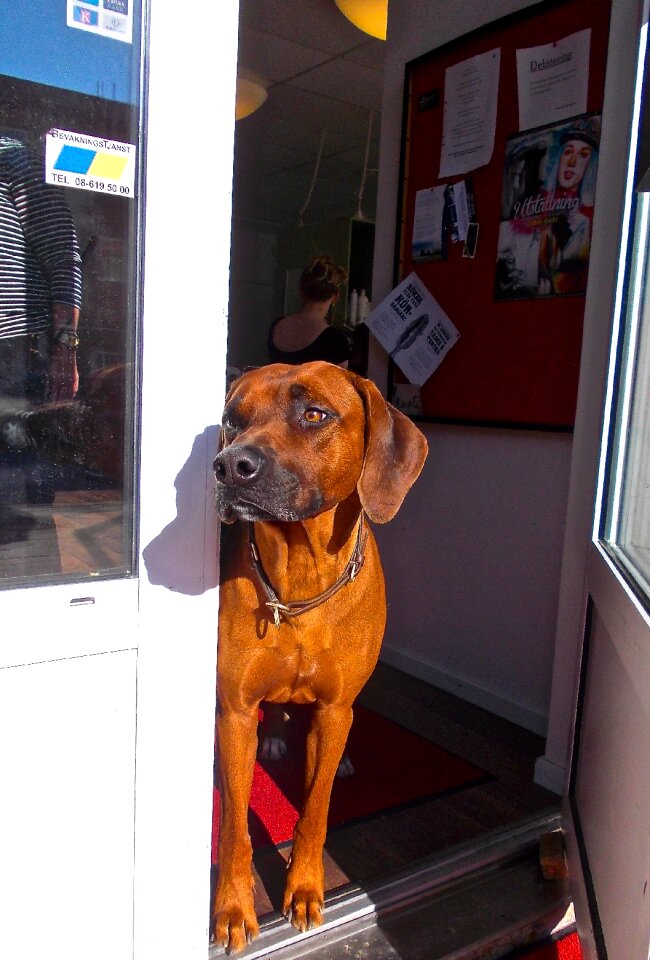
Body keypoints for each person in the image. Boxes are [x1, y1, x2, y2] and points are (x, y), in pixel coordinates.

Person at [0, 135, 82, 503]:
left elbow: (63, 256)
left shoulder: (11, 155)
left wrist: (64, 349)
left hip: (13, 345)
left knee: (18, 486)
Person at [538, 116, 600, 296]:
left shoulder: (589, 219)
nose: (572, 162)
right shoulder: (541, 208)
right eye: (568, 152)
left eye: (583, 155)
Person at [268, 255, 350, 366]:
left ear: (301, 291)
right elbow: (339, 383)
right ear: (335, 297)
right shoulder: (336, 340)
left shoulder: (277, 326)